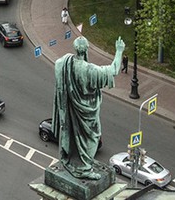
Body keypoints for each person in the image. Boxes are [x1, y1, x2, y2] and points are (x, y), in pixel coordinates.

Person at [53, 35, 125, 180]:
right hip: (88, 114)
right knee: (93, 137)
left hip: (71, 111)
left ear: (75, 48)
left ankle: (72, 162)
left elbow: (58, 65)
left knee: (74, 136)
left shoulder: (64, 63)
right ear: (87, 49)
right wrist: (119, 51)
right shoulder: (90, 70)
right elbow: (113, 70)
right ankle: (84, 168)